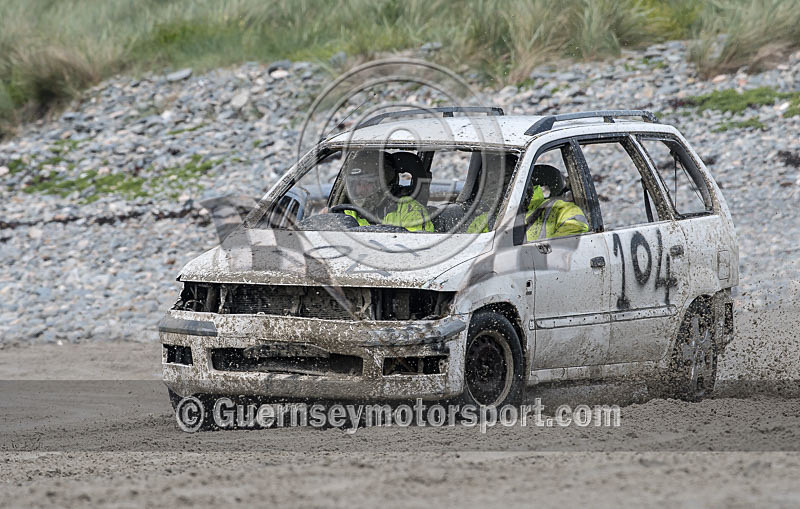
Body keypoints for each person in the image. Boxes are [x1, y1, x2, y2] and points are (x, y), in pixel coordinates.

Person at [466, 164, 588, 239]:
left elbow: (574, 238)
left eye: (506, 183)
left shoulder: (560, 209)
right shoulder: (483, 220)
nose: (500, 191)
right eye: (492, 184)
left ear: (523, 182)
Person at [341, 151, 433, 232]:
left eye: (368, 183)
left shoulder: (410, 210)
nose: (361, 189)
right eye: (357, 184)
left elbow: (419, 243)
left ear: (383, 183)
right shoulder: (348, 212)